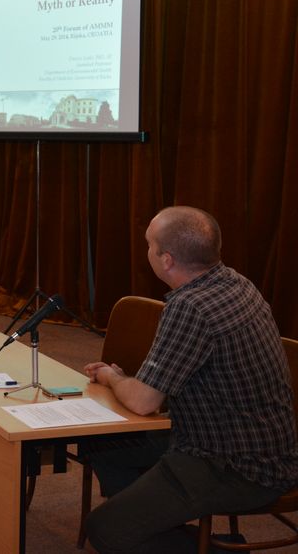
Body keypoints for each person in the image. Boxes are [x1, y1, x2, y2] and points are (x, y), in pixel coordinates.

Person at [83, 206, 298, 552]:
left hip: (233, 464)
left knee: (106, 529)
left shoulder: (190, 306)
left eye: (149, 245)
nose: (146, 251)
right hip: (257, 443)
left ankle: (210, 548)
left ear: (166, 260)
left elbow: (143, 401)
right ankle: (155, 521)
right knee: (102, 444)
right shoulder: (235, 282)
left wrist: (111, 377)